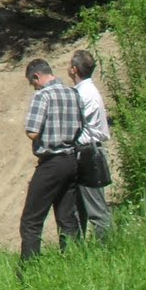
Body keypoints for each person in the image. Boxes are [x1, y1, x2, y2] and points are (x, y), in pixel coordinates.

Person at [20, 58, 83, 260]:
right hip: (72, 160)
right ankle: (74, 263)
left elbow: (32, 131)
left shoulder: (43, 96)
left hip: (51, 163)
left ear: (37, 76)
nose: (34, 87)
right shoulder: (73, 94)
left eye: (33, 83)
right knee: (67, 217)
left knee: (31, 220)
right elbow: (81, 127)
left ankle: (29, 270)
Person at [68, 49, 113, 240]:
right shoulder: (87, 91)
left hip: (88, 152)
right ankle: (79, 252)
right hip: (87, 152)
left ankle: (108, 248)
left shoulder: (83, 94)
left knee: (96, 209)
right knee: (78, 209)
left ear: (74, 70)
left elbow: (72, 124)